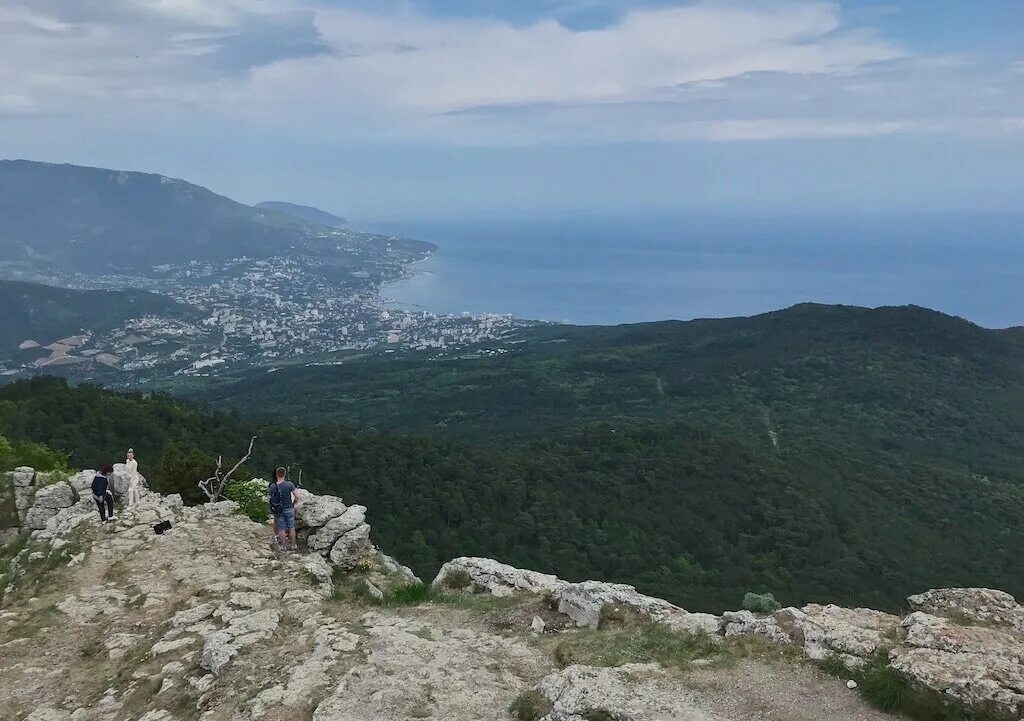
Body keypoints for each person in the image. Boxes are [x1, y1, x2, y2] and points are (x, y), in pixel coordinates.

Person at [269, 467, 299, 551]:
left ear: (276, 474)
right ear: (284, 474)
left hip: (279, 510)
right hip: (289, 508)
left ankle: (283, 546)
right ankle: (293, 545)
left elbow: (270, 498)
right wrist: (293, 503)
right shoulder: (289, 484)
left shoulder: (273, 486)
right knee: (291, 527)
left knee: (281, 528)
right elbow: (297, 496)